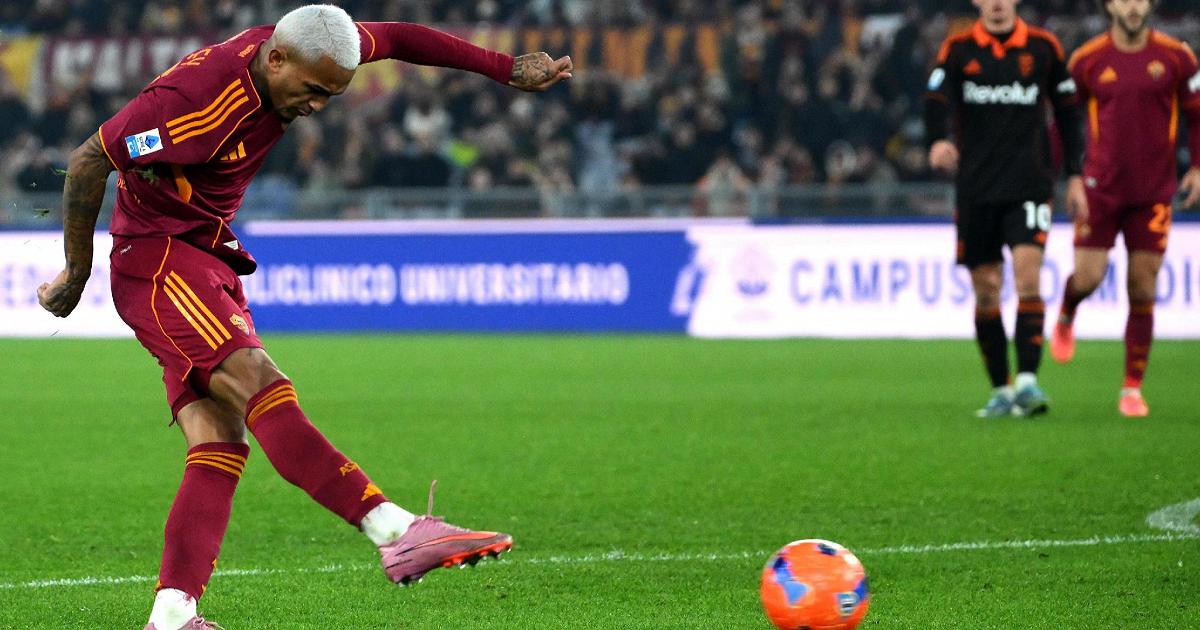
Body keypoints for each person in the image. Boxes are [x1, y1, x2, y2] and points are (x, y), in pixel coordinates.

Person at [36, 6, 572, 629]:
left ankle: (173, 615)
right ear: (276, 59)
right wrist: (76, 272)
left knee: (219, 440)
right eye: (314, 90)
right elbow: (89, 159)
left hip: (202, 255)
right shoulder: (192, 103)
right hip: (160, 261)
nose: (317, 105)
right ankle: (395, 531)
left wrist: (505, 68)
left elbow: (399, 36)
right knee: (260, 383)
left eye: (332, 94)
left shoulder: (312, 47)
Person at [924, 0, 1085, 418]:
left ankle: (1028, 382)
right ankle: (1001, 388)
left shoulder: (1044, 47)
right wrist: (937, 140)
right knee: (987, 287)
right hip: (976, 188)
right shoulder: (958, 49)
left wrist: (1075, 174)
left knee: (1028, 274)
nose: (997, 3)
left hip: (1029, 183)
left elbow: (1069, 111)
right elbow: (935, 100)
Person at [1050, 0, 1200, 417]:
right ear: (1108, 5)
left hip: (1153, 191)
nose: (1132, 6)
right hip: (1100, 189)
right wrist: (1066, 176)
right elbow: (1064, 121)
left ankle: (1132, 387)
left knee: (1143, 286)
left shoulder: (1177, 57)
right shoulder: (1087, 60)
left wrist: (1198, 166)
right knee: (1088, 278)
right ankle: (1067, 311)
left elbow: (1197, 114)